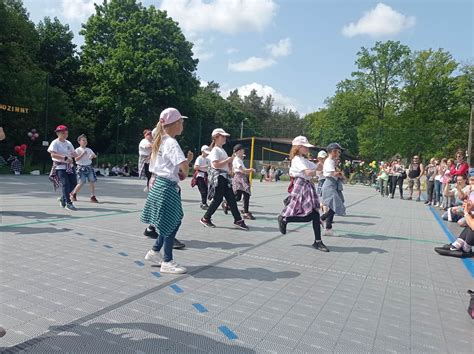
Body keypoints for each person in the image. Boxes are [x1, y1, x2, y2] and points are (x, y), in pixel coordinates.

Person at [141, 108, 193, 274]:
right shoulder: (171, 142)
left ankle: (155, 251)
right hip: (166, 186)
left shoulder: (160, 139)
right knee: (171, 221)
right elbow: (182, 166)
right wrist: (185, 170)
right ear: (176, 123)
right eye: (181, 122)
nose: (183, 125)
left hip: (158, 184)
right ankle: (167, 261)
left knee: (173, 219)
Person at [278, 136, 329, 252]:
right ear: (298, 147)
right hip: (301, 186)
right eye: (305, 146)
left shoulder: (303, 159)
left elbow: (313, 169)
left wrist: (322, 165)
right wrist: (318, 169)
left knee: (314, 214)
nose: (307, 149)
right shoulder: (297, 159)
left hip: (306, 185)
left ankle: (318, 241)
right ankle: (284, 219)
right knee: (308, 215)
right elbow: (308, 172)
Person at [200, 128, 249, 230]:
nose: (225, 138)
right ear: (216, 137)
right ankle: (206, 218)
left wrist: (230, 167)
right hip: (219, 177)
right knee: (218, 199)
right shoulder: (215, 150)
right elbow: (216, 164)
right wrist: (228, 160)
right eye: (222, 136)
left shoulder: (221, 150)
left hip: (224, 177)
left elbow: (225, 164)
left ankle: (238, 220)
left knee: (231, 199)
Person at [48, 125, 78, 210]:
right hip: (60, 167)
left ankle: (63, 199)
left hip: (69, 166)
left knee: (74, 183)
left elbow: (73, 153)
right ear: (58, 133)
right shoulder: (55, 142)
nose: (65, 135)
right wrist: (65, 158)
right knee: (65, 184)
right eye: (63, 133)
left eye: (66, 133)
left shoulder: (68, 143)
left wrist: (76, 154)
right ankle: (68, 203)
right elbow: (53, 154)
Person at [320, 143, 346, 236]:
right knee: (335, 205)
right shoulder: (329, 161)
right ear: (333, 151)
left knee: (334, 205)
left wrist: (340, 175)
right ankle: (323, 220)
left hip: (333, 185)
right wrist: (341, 174)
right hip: (329, 185)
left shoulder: (332, 161)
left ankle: (328, 228)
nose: (339, 153)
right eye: (338, 151)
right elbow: (332, 173)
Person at [70, 134, 99, 203]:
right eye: (83, 140)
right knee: (81, 182)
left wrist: (93, 156)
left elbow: (95, 156)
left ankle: (93, 196)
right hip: (81, 168)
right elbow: (76, 159)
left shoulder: (89, 149)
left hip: (89, 167)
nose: (85, 141)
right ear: (79, 141)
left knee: (92, 181)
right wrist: (82, 154)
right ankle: (73, 194)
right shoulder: (77, 150)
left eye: (86, 140)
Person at [232, 144, 256, 220]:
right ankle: (245, 212)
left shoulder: (239, 159)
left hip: (241, 177)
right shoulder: (237, 160)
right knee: (245, 194)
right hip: (240, 177)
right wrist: (251, 169)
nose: (243, 152)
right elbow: (242, 170)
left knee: (238, 196)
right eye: (242, 150)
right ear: (238, 151)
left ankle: (227, 203)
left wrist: (247, 172)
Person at [193, 145, 211, 209]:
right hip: (200, 176)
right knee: (203, 190)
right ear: (202, 151)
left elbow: (210, 166)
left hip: (206, 176)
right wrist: (204, 167)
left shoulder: (208, 159)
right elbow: (195, 167)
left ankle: (204, 202)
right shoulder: (199, 158)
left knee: (206, 190)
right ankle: (203, 203)